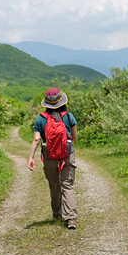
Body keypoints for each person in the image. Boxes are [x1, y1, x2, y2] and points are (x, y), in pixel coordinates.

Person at [28, 88, 78, 229]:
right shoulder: (68, 116)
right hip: (67, 154)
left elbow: (37, 139)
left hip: (49, 155)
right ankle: (71, 219)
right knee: (67, 185)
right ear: (61, 101)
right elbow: (74, 136)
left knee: (54, 185)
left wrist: (31, 157)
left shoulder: (40, 118)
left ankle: (57, 214)